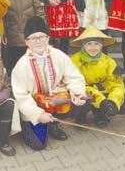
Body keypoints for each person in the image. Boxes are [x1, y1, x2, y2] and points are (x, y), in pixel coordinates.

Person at [11, 16, 86, 151]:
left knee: (82, 101)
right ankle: (27, 126)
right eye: (33, 38)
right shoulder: (21, 66)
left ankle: (52, 122)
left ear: (47, 38)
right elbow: (21, 97)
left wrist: (78, 92)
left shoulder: (58, 55)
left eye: (41, 36)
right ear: (27, 42)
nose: (38, 41)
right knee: (38, 145)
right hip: (33, 106)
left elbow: (74, 77)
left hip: (53, 100)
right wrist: (37, 114)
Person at [70, 26, 125, 128]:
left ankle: (100, 115)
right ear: (83, 45)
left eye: (97, 44)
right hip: (84, 92)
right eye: (89, 44)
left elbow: (116, 84)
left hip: (102, 91)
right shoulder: (75, 61)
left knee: (124, 106)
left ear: (101, 45)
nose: (93, 48)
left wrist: (112, 101)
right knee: (84, 100)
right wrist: (101, 101)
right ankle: (80, 116)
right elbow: (76, 84)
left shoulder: (108, 61)